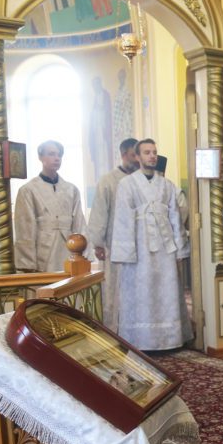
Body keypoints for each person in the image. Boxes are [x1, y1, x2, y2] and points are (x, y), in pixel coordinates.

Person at [110, 139, 193, 351]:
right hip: (140, 248)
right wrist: (126, 252)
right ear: (138, 157)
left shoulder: (167, 185)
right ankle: (141, 340)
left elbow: (175, 217)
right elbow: (123, 219)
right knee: (142, 292)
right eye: (147, 152)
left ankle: (169, 340)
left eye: (154, 152)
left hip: (164, 248)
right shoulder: (127, 184)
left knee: (166, 291)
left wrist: (180, 248)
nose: (152, 156)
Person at [86, 137, 140, 331]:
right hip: (114, 244)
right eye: (133, 155)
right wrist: (98, 243)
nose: (137, 159)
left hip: (139, 245)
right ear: (124, 155)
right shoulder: (108, 181)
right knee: (114, 289)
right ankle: (113, 330)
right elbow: (99, 212)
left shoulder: (142, 179)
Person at [13, 140, 88, 272]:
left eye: (59, 155)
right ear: (40, 157)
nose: (57, 158)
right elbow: (25, 228)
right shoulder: (28, 190)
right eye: (51, 154)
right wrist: (27, 263)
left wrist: (85, 253)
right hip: (43, 251)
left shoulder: (71, 189)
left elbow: (79, 223)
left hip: (69, 250)